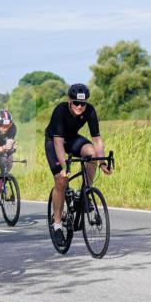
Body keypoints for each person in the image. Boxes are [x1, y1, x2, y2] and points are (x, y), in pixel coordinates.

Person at [44, 83, 111, 246]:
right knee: (61, 180)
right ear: (69, 101)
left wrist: (101, 162)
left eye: (83, 103)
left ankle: (85, 193)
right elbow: (59, 144)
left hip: (73, 139)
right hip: (53, 141)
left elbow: (96, 139)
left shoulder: (90, 110)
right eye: (76, 103)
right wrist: (64, 167)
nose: (80, 107)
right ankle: (57, 224)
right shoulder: (60, 110)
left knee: (92, 154)